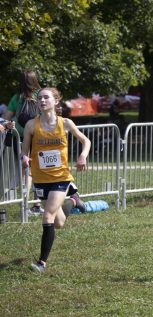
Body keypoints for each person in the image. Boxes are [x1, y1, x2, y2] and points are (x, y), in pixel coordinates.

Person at [20, 87, 91, 273]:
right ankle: (72, 201)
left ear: (55, 101)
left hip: (61, 178)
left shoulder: (65, 123)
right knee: (58, 222)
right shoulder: (30, 125)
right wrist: (24, 158)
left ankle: (41, 263)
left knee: (47, 216)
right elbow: (24, 150)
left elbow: (86, 141)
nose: (42, 101)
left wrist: (83, 156)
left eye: (46, 97)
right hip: (40, 178)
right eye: (39, 98)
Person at [3, 70, 43, 214]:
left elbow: (6, 117)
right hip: (40, 138)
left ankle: (25, 204)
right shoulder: (42, 95)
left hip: (19, 139)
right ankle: (36, 204)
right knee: (38, 171)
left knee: (27, 171)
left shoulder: (16, 98)